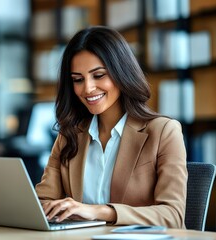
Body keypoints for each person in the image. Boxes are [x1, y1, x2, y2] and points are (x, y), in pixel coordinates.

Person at [35, 26, 188, 228]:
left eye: (98, 75)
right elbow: (41, 202)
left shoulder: (163, 131)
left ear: (121, 73)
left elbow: (172, 215)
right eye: (78, 80)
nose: (88, 88)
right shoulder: (70, 134)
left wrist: (98, 211)